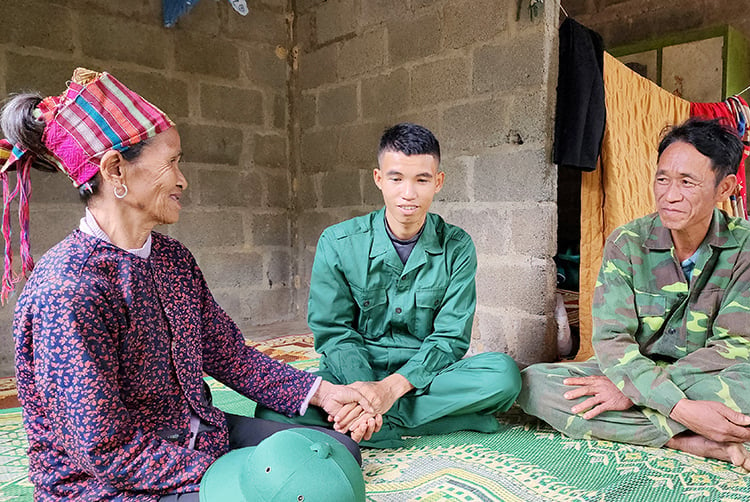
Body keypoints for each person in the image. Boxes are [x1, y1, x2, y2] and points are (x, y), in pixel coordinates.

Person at [2, 68, 378, 501]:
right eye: (172, 163)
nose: (183, 180)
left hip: (197, 432)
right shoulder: (68, 290)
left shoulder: (172, 259)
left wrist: (325, 394)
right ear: (115, 170)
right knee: (294, 491)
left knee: (334, 456)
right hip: (114, 478)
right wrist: (236, 473)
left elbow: (229, 355)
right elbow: (103, 449)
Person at [518, 118, 750, 471]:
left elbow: (738, 345)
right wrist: (680, 410)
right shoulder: (627, 242)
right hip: (632, 369)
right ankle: (684, 439)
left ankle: (649, 427)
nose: (669, 195)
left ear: (724, 188)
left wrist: (637, 392)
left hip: (701, 378)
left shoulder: (748, 245)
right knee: (533, 384)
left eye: (687, 182)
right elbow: (612, 339)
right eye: (662, 179)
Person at [256, 123, 522, 447]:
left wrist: (389, 390)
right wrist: (367, 391)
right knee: (272, 408)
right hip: (351, 375)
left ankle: (370, 426)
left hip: (423, 377)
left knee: (504, 376)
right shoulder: (338, 242)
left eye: (421, 180)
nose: (408, 194)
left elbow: (451, 339)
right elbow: (334, 333)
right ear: (379, 179)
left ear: (438, 182)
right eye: (396, 178)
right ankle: (443, 420)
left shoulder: (457, 246)